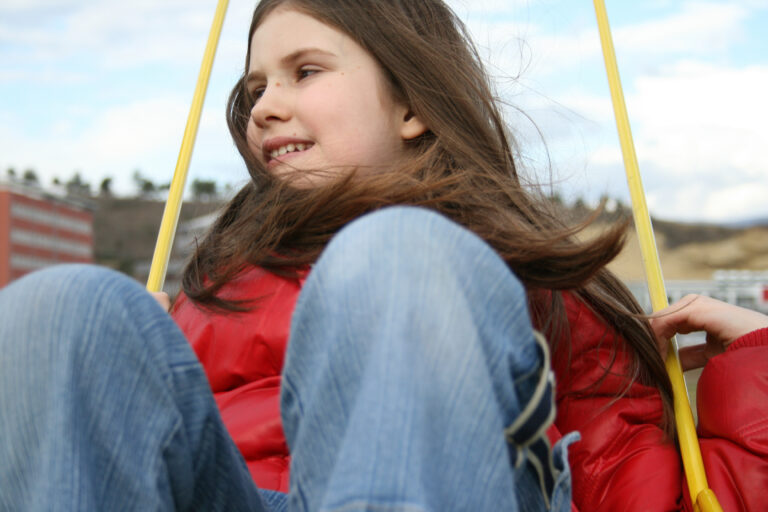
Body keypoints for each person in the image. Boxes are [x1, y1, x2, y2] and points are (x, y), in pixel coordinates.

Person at [0, 1, 766, 511]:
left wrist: (757, 367)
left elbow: (663, 499)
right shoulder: (208, 299)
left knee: (399, 260)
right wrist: (131, 364)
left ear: (413, 105)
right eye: (256, 85)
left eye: (305, 71)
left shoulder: (525, 288)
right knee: (65, 307)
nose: (263, 104)